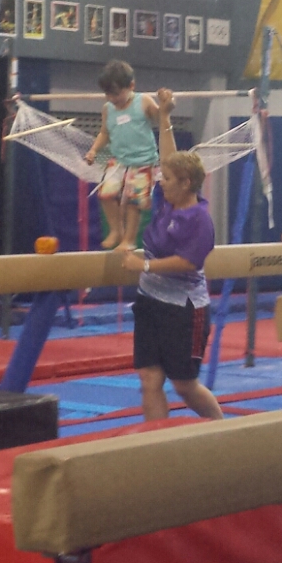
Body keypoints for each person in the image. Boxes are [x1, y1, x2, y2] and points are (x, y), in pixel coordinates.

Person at [116, 88, 223, 422]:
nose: (160, 181)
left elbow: (188, 263)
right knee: (149, 380)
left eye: (168, 179)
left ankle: (222, 431)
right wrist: (164, 116)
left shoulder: (199, 219)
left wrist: (144, 264)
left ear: (186, 183)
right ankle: (159, 443)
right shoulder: (168, 200)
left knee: (184, 385)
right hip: (150, 302)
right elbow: (168, 159)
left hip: (184, 309)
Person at [84, 60, 163, 252]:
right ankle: (116, 230)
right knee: (105, 195)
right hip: (119, 161)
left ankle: (129, 239)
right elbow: (104, 133)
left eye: (116, 94)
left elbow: (161, 119)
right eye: (108, 94)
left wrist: (165, 105)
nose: (112, 98)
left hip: (143, 161)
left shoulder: (143, 101)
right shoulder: (108, 109)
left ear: (131, 86)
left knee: (134, 201)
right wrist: (94, 150)